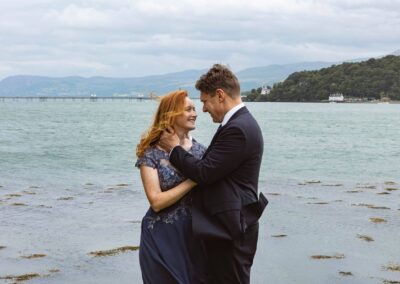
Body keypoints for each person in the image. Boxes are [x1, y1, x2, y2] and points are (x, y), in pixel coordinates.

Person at [159, 64, 268, 284]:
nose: (204, 109)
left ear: (220, 95)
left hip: (232, 228)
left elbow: (205, 172)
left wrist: (174, 149)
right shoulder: (238, 124)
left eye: (204, 102)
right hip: (228, 226)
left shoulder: (238, 129)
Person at [135, 90, 207, 284]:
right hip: (160, 238)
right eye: (188, 109)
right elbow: (156, 201)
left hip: (195, 238)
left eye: (195, 108)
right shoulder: (150, 153)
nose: (195, 113)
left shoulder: (201, 151)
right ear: (171, 115)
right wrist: (193, 180)